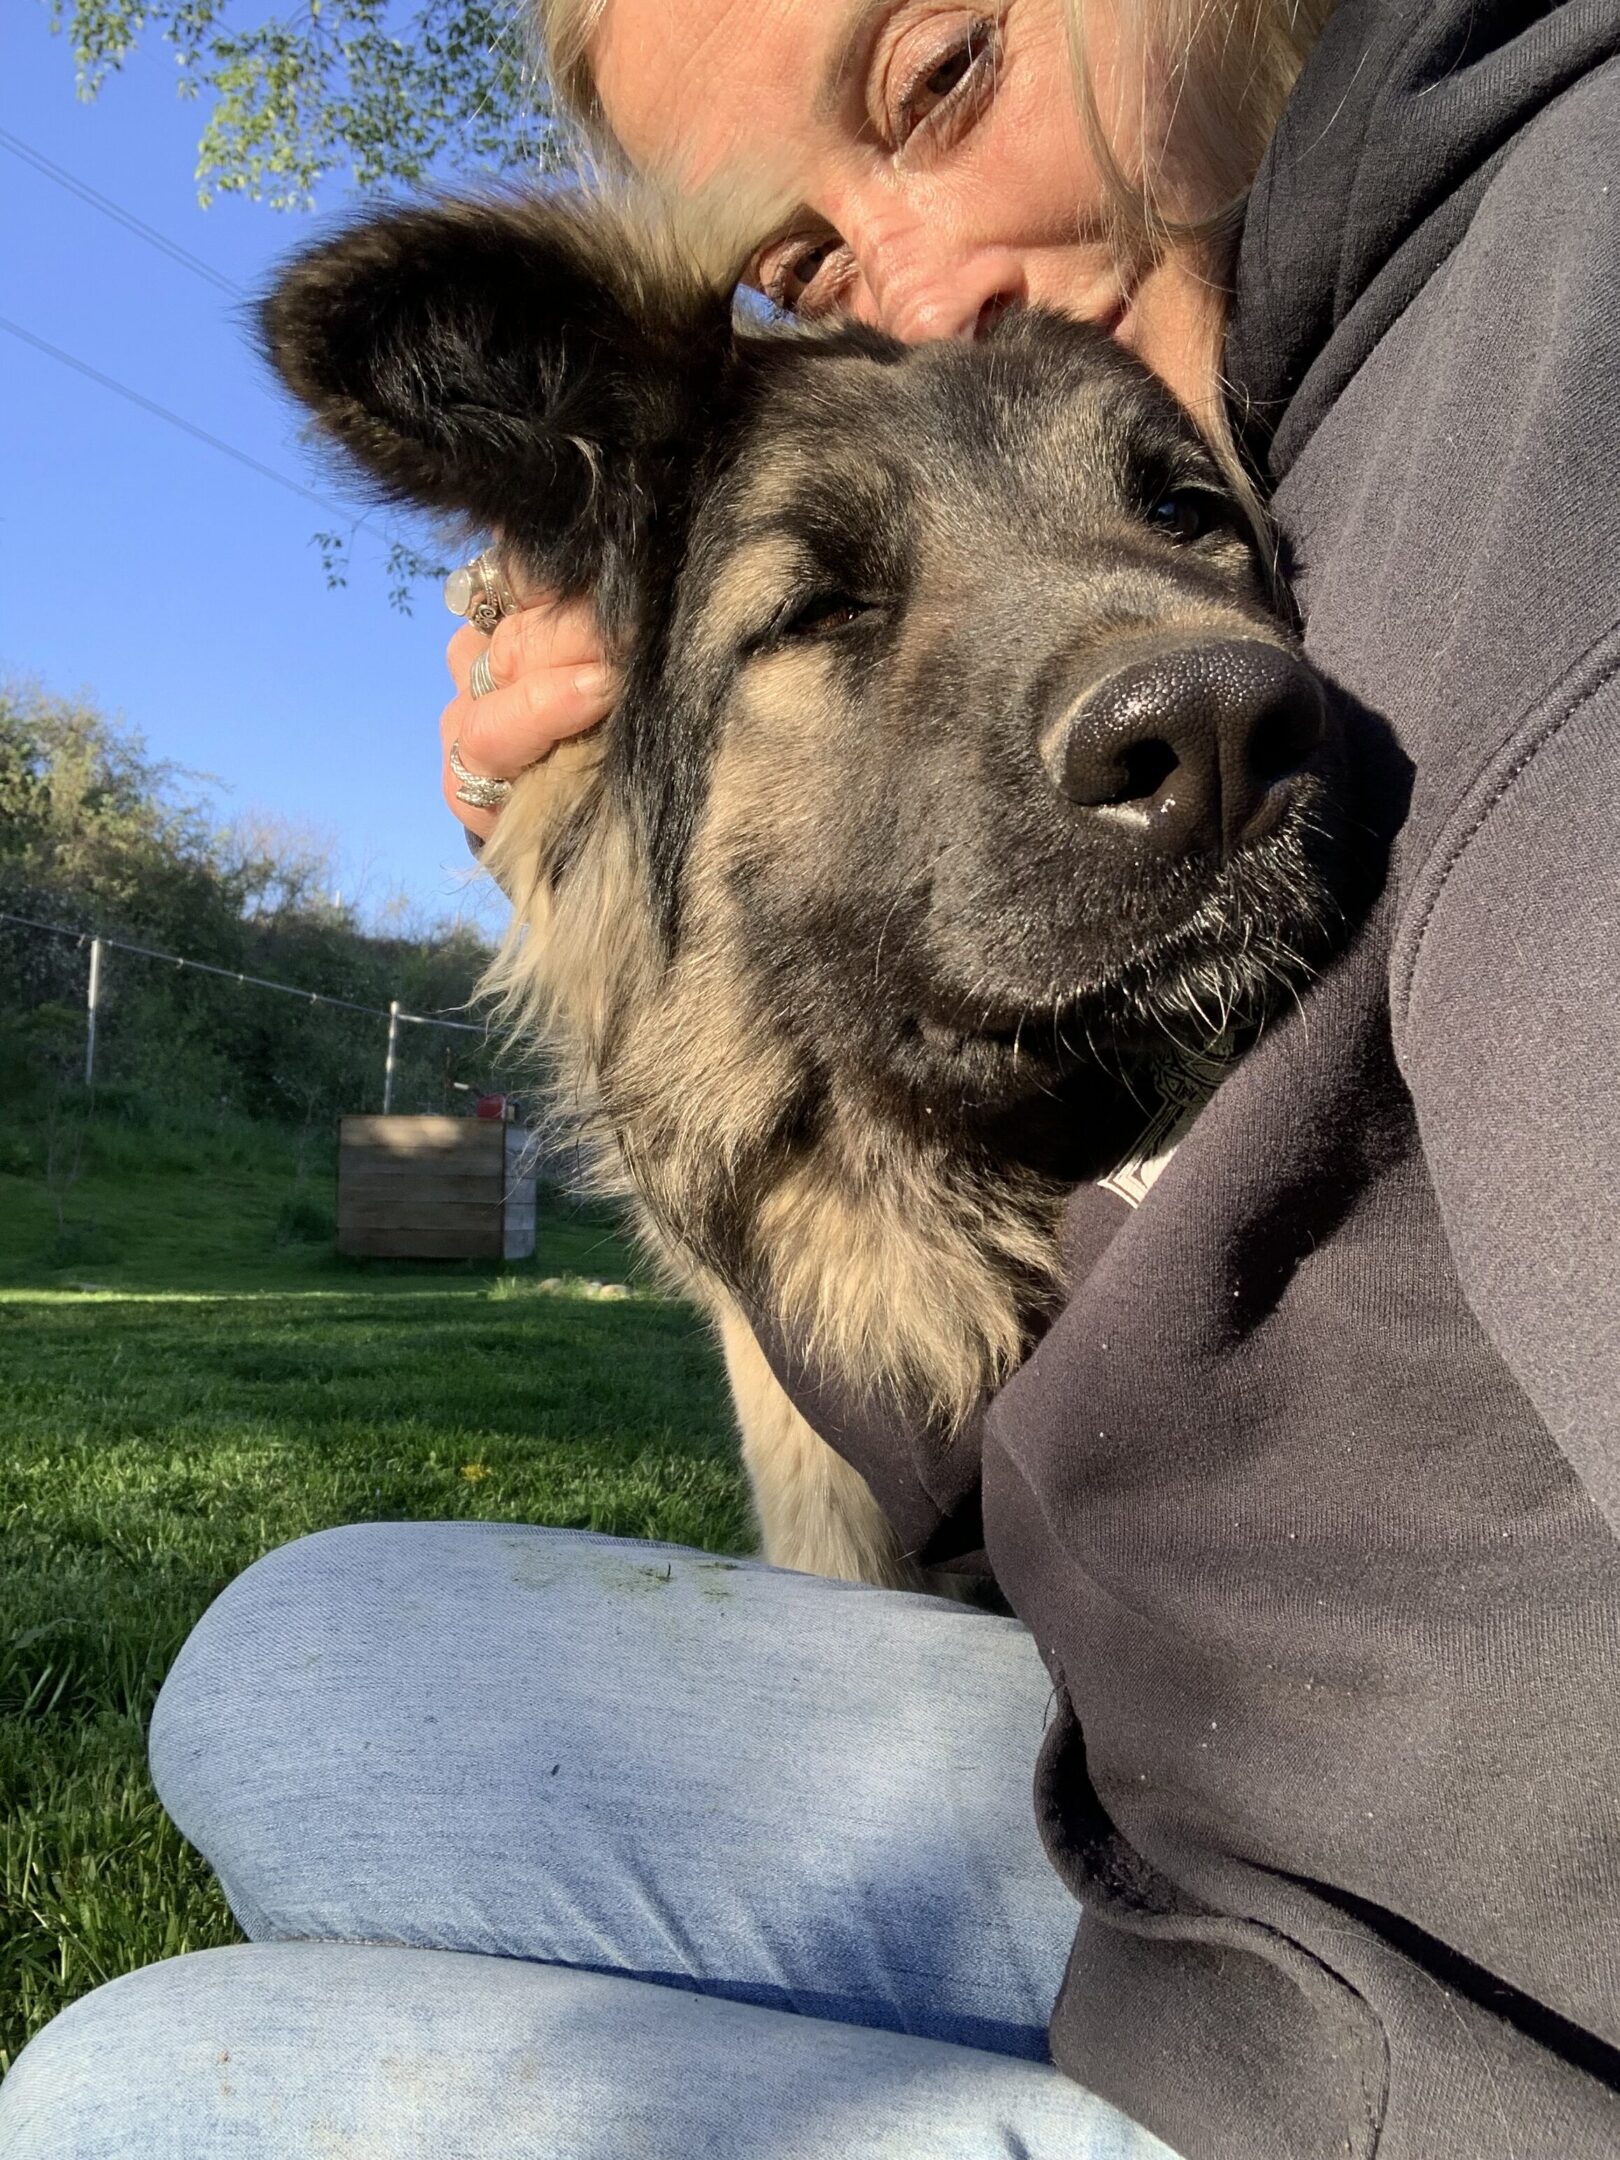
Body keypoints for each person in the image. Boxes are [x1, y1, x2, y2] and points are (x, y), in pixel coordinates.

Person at [4, 2, 1617, 2155]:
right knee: (288, 1675)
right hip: (1220, 1870)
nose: (933, 293)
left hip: (1454, 2045)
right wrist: (589, 855)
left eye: (946, 75)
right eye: (808, 269)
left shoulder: (1548, 321)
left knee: (122, 2099)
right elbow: (1020, 1405)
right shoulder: (1257, 361)